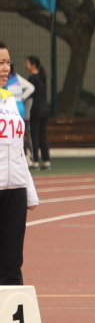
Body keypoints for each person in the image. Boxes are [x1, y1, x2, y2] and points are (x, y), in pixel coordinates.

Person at [0, 42, 38, 285]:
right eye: (0, 63)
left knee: (12, 260)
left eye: (7, 63)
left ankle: (11, 305)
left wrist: (29, 192)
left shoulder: (10, 101)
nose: (6, 68)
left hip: (15, 190)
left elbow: (17, 150)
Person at [25, 57, 49, 170]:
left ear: (33, 65)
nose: (25, 65)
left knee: (34, 136)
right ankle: (46, 161)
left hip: (35, 110)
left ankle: (35, 162)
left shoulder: (32, 78)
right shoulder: (42, 77)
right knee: (42, 136)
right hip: (44, 110)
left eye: (27, 63)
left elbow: (30, 95)